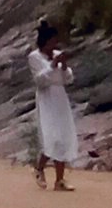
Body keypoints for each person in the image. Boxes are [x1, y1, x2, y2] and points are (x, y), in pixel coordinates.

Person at [30, 19, 81, 191]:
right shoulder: (34, 57)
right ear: (44, 41)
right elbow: (40, 80)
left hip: (60, 97)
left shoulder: (57, 54)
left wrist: (64, 66)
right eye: (52, 41)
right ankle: (40, 168)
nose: (55, 44)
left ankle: (60, 179)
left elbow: (68, 79)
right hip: (47, 98)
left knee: (63, 136)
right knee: (52, 135)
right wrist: (52, 66)